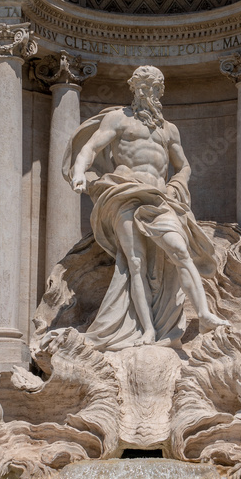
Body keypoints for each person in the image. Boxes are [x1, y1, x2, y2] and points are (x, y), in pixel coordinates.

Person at [64, 65, 229, 350]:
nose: (146, 92)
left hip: (160, 198)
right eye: (141, 87)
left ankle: (203, 314)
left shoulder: (168, 130)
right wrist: (80, 172)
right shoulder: (119, 119)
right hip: (125, 193)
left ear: (160, 91)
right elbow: (90, 148)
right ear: (133, 89)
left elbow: (184, 165)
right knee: (135, 263)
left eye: (151, 87)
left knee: (180, 250)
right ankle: (148, 330)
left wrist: (178, 185)